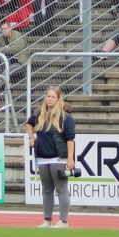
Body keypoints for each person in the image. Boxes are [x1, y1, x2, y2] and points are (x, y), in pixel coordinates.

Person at [26, 87, 77, 228]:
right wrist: (31, 137)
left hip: (58, 158)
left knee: (61, 189)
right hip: (43, 158)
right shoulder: (40, 114)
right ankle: (47, 220)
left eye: (53, 97)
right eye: (48, 96)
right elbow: (29, 123)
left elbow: (70, 139)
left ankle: (63, 221)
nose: (50, 99)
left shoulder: (65, 118)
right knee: (47, 190)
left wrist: (70, 159)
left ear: (58, 99)